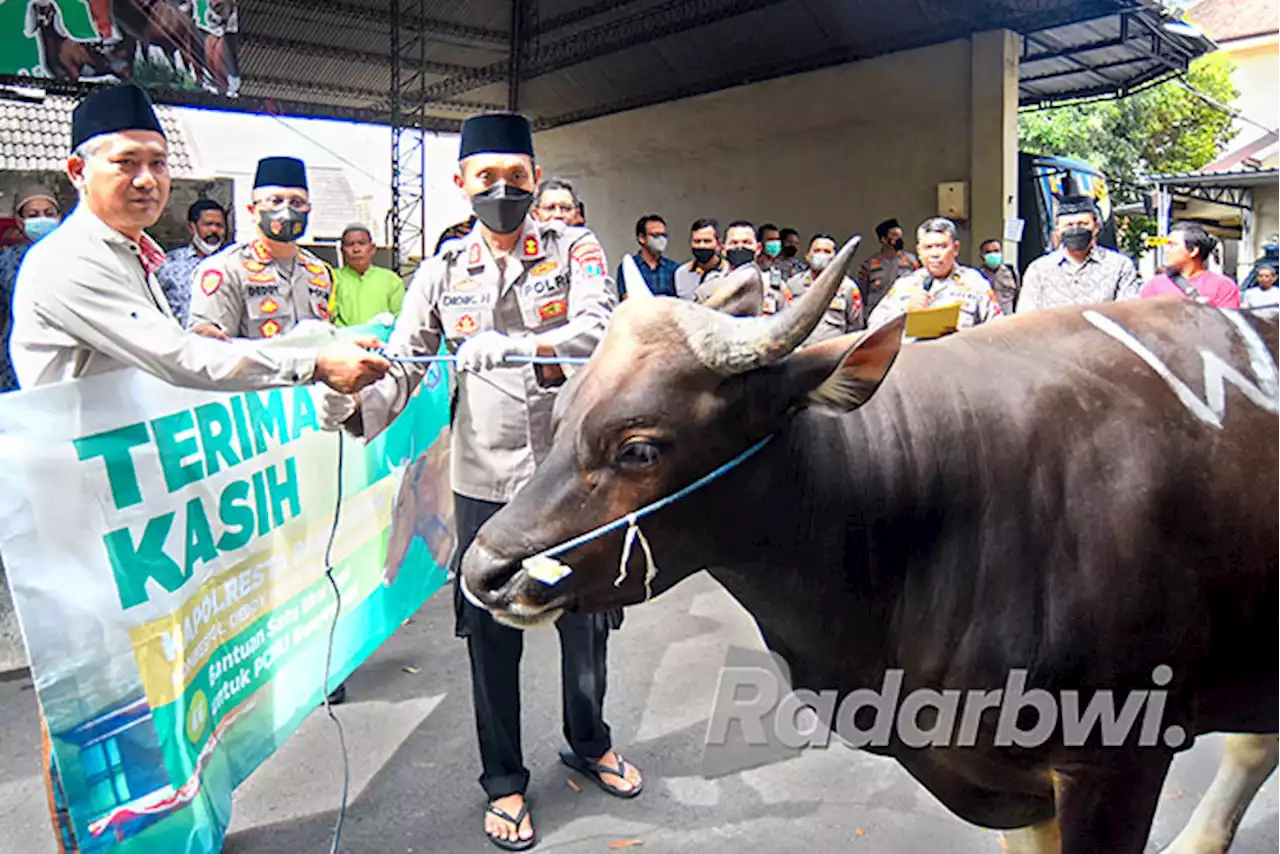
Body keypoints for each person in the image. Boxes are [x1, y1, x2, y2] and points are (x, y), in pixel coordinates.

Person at [10, 81, 389, 854]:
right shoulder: (69, 263)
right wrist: (312, 365)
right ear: (79, 171)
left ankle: (180, 829)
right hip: (81, 522)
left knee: (163, 685)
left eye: (157, 163)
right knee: (93, 703)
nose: (147, 179)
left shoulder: (134, 255)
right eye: (127, 164)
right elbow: (182, 359)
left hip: (133, 509)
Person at [319, 111, 640, 852]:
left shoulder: (573, 247)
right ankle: (504, 783)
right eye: (486, 179)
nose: (504, 191)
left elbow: (600, 326)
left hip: (572, 476)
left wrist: (522, 346)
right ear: (462, 184)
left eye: (517, 178)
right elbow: (402, 366)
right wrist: (348, 396)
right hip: (486, 479)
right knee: (490, 633)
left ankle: (588, 742)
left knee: (587, 619)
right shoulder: (440, 270)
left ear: (535, 179)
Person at [187, 156, 336, 340]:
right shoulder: (227, 269)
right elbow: (211, 351)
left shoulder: (318, 272)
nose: (287, 211)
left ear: (309, 210)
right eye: (275, 201)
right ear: (252, 210)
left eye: (297, 203)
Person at [868, 217, 1002, 333]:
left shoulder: (974, 283)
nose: (935, 254)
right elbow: (873, 325)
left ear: (955, 248)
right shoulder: (905, 285)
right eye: (928, 247)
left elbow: (996, 328)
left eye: (942, 246)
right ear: (919, 251)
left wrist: (963, 337)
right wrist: (905, 313)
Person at [1015, 195, 1141, 313]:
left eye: (1083, 224)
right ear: (1058, 230)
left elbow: (1128, 315)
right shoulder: (1039, 270)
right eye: (1069, 225)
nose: (1075, 229)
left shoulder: (1120, 266)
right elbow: (1025, 318)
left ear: (1096, 227)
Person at [0, 183, 62, 392]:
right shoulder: (7, 261)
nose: (42, 219)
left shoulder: (73, 255)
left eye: (48, 213)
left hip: (63, 350)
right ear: (20, 221)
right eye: (33, 215)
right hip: (16, 355)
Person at [154, 198, 228, 324]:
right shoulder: (168, 264)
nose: (214, 230)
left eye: (219, 225)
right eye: (208, 224)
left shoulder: (231, 263)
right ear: (192, 228)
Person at [1139, 222, 1239, 308]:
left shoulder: (1223, 287)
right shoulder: (1154, 286)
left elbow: (1229, 327)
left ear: (1193, 251)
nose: (1166, 250)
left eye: (1172, 245)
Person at [785, 233, 864, 341]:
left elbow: (855, 326)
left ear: (836, 257)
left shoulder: (848, 287)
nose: (821, 255)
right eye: (817, 250)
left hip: (832, 352)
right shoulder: (793, 284)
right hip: (799, 350)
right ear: (807, 256)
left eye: (827, 251)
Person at [332, 223, 406, 326]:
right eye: (350, 244)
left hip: (381, 340)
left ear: (372, 249)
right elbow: (329, 318)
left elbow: (401, 319)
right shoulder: (331, 279)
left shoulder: (391, 280)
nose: (356, 250)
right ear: (342, 250)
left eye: (362, 243)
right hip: (342, 340)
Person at [858, 217, 921, 317]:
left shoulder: (911, 261)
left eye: (900, 236)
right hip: (877, 314)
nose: (899, 239)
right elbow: (863, 293)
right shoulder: (870, 264)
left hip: (903, 312)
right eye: (894, 236)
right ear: (884, 239)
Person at [617, 214, 679, 298]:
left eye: (664, 235)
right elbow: (628, 299)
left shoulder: (673, 268)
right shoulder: (630, 267)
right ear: (641, 238)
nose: (661, 240)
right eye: (656, 235)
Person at [674, 218, 728, 300]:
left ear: (718, 244)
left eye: (707, 241)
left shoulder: (729, 272)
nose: (701, 246)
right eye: (697, 241)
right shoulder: (681, 273)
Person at [756, 223, 806, 296]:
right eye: (771, 240)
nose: (775, 243)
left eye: (777, 240)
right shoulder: (753, 266)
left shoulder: (781, 267)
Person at [977, 237, 1019, 315]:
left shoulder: (1011, 272)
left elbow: (1018, 296)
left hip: (1008, 320)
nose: (993, 255)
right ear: (982, 255)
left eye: (996, 251)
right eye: (988, 252)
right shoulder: (977, 276)